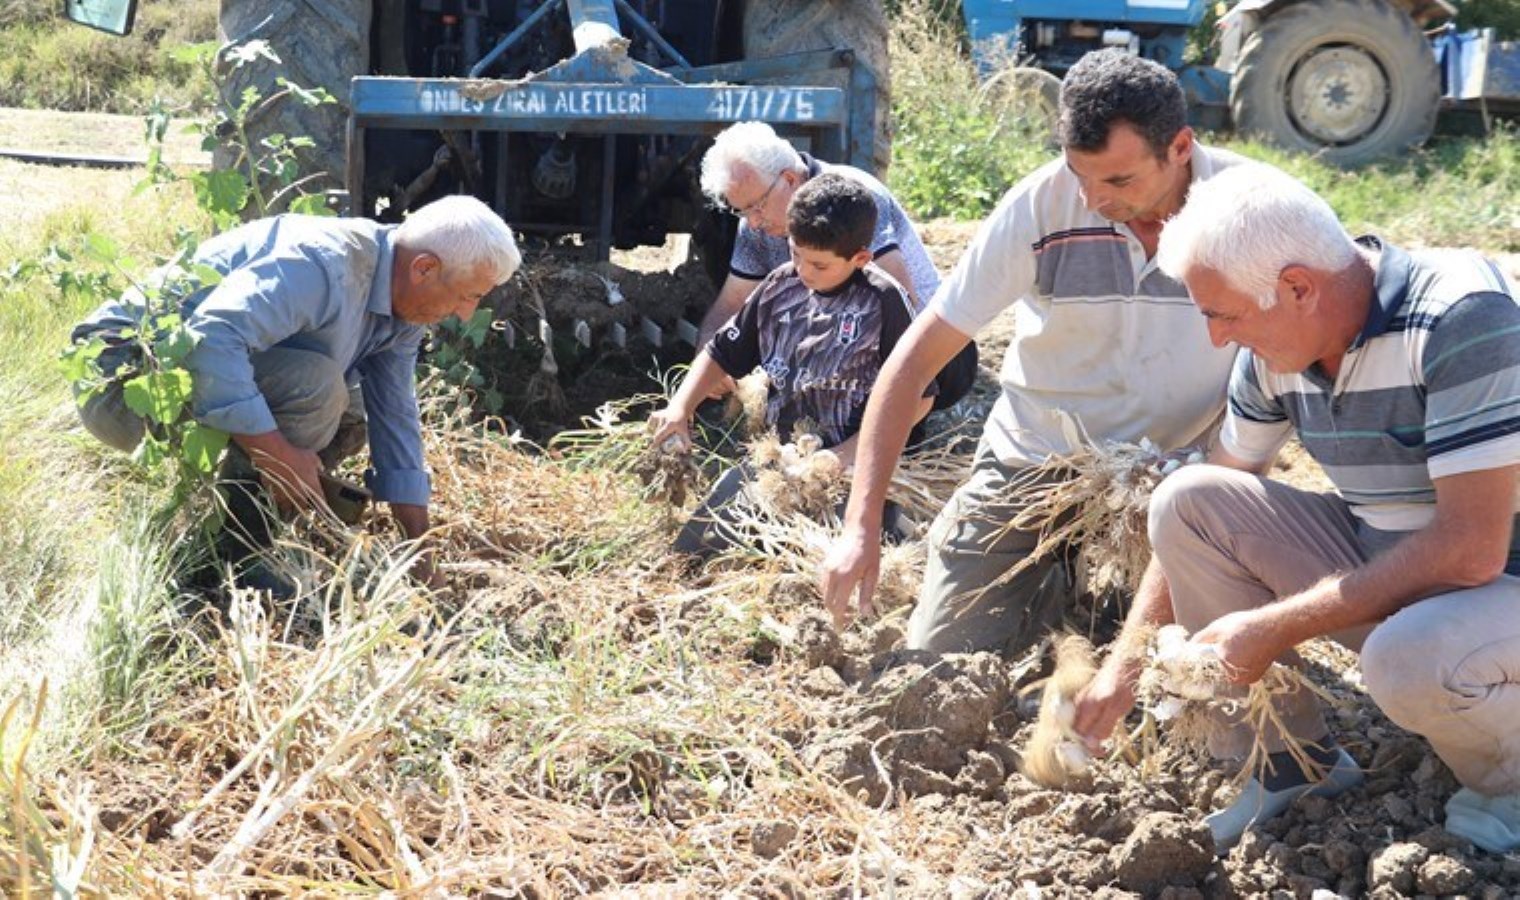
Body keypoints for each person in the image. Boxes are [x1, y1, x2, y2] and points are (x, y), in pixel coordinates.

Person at [1071, 162, 1520, 853]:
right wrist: (1122, 670)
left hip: (1499, 587)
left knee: (1407, 658)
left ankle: (1508, 787)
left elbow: (1472, 548)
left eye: (1223, 314)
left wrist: (1274, 626)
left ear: (1299, 287)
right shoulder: (1278, 347)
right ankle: (1292, 764)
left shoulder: (1462, 320)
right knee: (1187, 501)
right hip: (1406, 573)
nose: (1218, 338)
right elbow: (1215, 490)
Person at [820, 49, 1245, 655]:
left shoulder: (1246, 208)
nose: (1094, 200)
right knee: (942, 660)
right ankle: (1049, 581)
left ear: (1180, 147)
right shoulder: (1039, 206)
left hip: (1185, 476)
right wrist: (860, 528)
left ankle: (1105, 588)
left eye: (1119, 180)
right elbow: (913, 362)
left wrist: (1215, 477)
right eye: (1081, 175)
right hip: (1038, 463)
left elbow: (1300, 371)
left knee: (1207, 669)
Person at [71, 195, 521, 584]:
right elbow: (211, 339)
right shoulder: (325, 264)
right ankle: (231, 561)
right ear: (424, 268)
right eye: (467, 296)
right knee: (318, 387)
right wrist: (276, 454)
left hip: (187, 378)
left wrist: (419, 550)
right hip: (123, 379)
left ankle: (262, 511)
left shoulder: (402, 305)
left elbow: (395, 415)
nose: (466, 314)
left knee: (360, 401)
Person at [650, 174, 934, 556]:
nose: (803, 271)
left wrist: (845, 455)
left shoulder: (883, 301)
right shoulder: (778, 287)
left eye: (819, 265)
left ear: (860, 258)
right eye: (795, 253)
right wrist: (680, 408)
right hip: (780, 466)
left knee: (860, 557)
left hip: (850, 471)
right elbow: (721, 352)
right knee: (689, 552)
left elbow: (920, 396)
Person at [697, 120, 940, 348]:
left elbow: (900, 304)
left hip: (923, 346)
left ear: (790, 179)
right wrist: (707, 348)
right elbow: (731, 303)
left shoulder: (852, 199)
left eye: (757, 206)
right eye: (741, 212)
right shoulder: (758, 224)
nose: (752, 223)